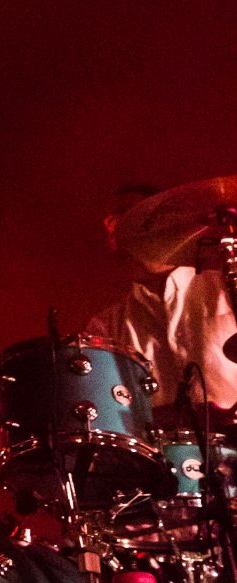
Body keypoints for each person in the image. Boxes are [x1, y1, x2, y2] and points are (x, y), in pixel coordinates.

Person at [89, 180, 237, 423]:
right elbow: (107, 420)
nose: (112, 223)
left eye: (126, 212)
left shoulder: (226, 286)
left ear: (166, 221)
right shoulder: (104, 328)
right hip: (164, 458)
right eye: (109, 217)